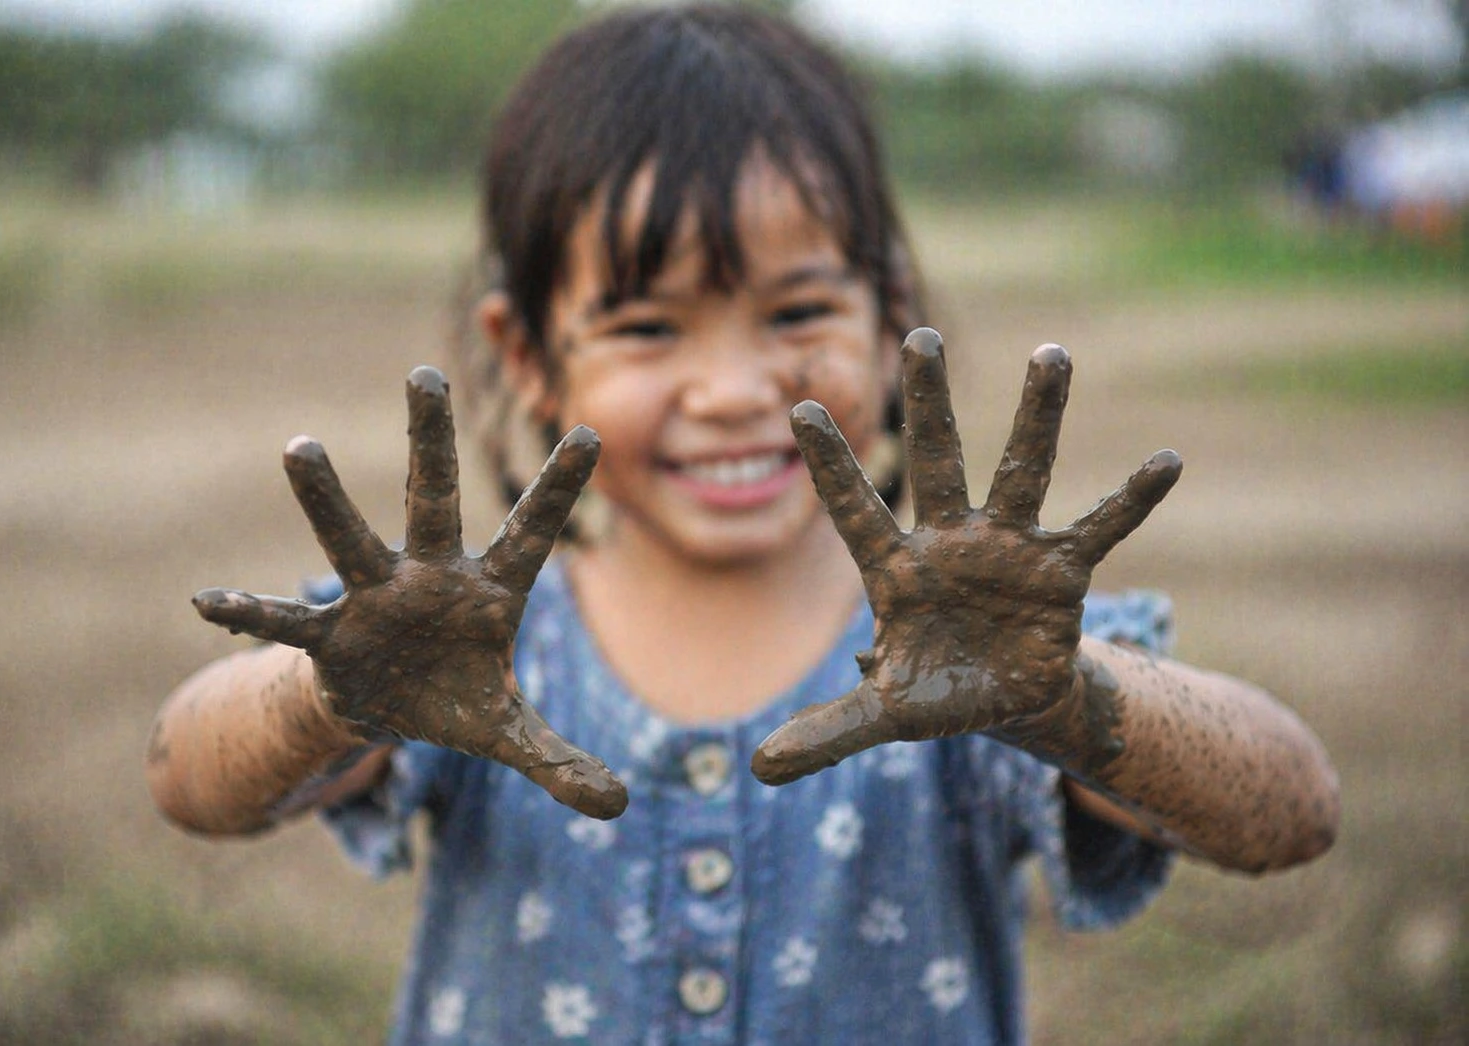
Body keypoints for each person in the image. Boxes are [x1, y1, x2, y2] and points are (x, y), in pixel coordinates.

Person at [145, 6, 1340, 1044]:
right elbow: (190, 780)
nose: (733, 388)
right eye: (649, 328)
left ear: (891, 320)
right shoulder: (442, 644)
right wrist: (327, 700)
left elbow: (1291, 810)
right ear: (530, 356)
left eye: (801, 307)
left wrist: (1071, 699)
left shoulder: (989, 650)